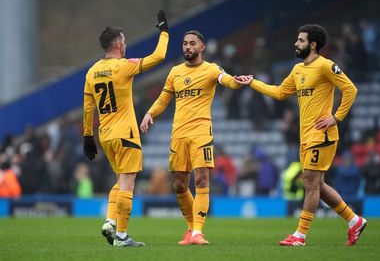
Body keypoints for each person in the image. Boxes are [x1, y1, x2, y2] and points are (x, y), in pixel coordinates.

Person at [234, 24, 366, 246]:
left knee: (310, 183)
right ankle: (354, 221)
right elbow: (279, 92)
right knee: (318, 185)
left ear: (313, 44)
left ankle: (300, 236)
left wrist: (336, 117)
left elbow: (351, 89)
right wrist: (252, 83)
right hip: (305, 137)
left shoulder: (326, 66)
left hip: (322, 135)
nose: (296, 43)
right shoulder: (297, 70)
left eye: (301, 40)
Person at [140, 30, 242, 245]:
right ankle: (190, 229)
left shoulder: (211, 69)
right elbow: (164, 98)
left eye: (192, 43)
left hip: (201, 132)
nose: (187, 47)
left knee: (202, 179)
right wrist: (149, 113)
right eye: (185, 43)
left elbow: (226, 80)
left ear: (202, 47)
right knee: (178, 185)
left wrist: (236, 81)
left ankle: (198, 231)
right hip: (178, 134)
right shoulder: (175, 72)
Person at [82, 10, 169, 247]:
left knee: (120, 182)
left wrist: (88, 137)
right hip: (126, 134)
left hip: (106, 136)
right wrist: (164, 31)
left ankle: (110, 222)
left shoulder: (92, 72)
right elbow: (158, 57)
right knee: (128, 183)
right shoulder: (123, 66)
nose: (126, 44)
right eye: (125, 40)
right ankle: (121, 236)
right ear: (119, 44)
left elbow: (88, 107)